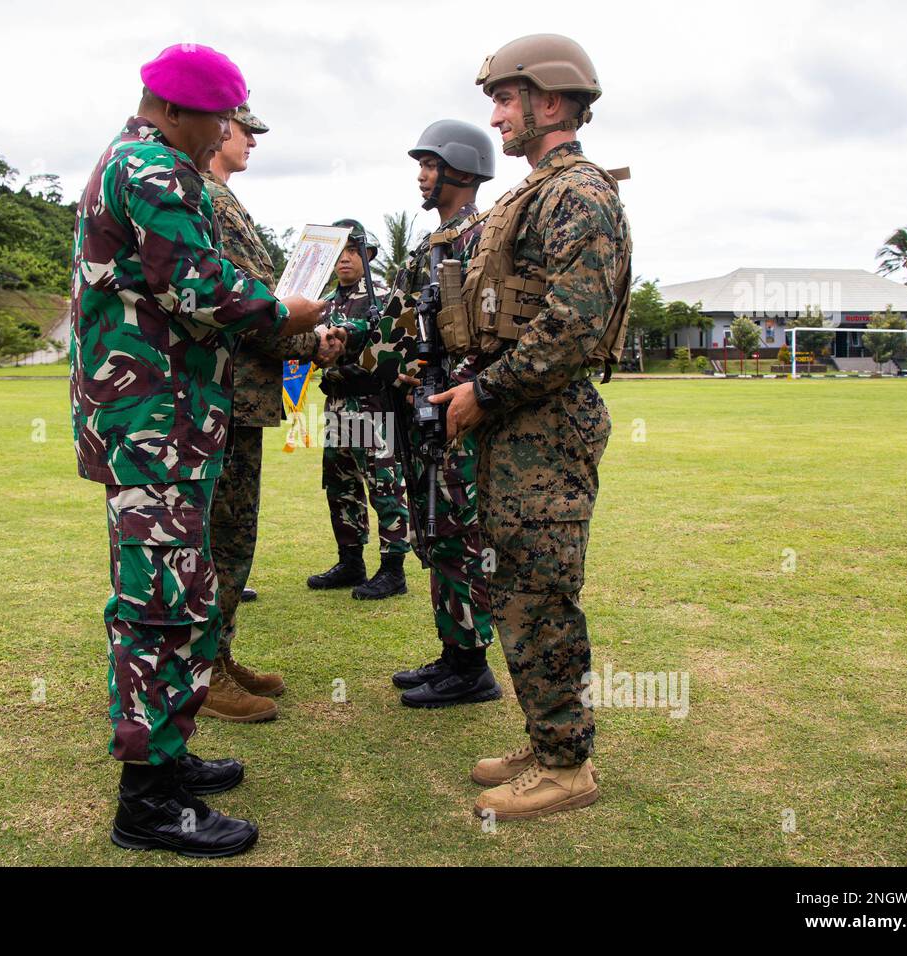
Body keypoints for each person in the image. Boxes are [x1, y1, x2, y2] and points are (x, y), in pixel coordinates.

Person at [69, 42, 325, 857]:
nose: (226, 129)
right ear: (175, 108)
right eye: (219, 115)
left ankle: (168, 761)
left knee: (177, 589)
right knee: (158, 605)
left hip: (158, 420)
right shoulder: (152, 170)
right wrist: (290, 311)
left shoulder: (136, 159)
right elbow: (201, 285)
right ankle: (148, 802)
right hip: (155, 422)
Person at [429, 34, 632, 818]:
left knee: (541, 592)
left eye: (506, 99)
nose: (495, 115)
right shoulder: (536, 190)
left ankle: (565, 765)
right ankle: (549, 732)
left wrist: (487, 390)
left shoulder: (578, 193)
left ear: (550, 102)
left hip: (544, 421)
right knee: (515, 585)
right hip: (519, 420)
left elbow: (573, 327)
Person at [202, 103, 346, 722]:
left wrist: (308, 339)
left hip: (234, 395)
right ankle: (203, 672)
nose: (252, 142)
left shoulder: (213, 197)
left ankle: (216, 654)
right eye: (245, 131)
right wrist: (306, 334)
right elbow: (251, 307)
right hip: (227, 398)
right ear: (219, 128)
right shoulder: (213, 198)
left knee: (229, 536)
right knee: (224, 539)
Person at [376, 120, 504, 708]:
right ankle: (455, 653)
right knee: (437, 527)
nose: (421, 177)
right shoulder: (431, 246)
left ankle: (472, 665)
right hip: (426, 406)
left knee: (458, 530)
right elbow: (402, 322)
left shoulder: (482, 240)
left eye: (430, 164)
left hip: (460, 408)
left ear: (461, 170)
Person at [307, 221, 412, 600]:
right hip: (336, 401)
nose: (345, 259)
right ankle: (351, 561)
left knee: (383, 485)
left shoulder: (381, 296)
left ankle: (393, 569)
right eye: (339, 252)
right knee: (340, 485)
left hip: (370, 402)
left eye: (352, 251)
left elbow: (377, 333)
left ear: (368, 254)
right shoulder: (327, 301)